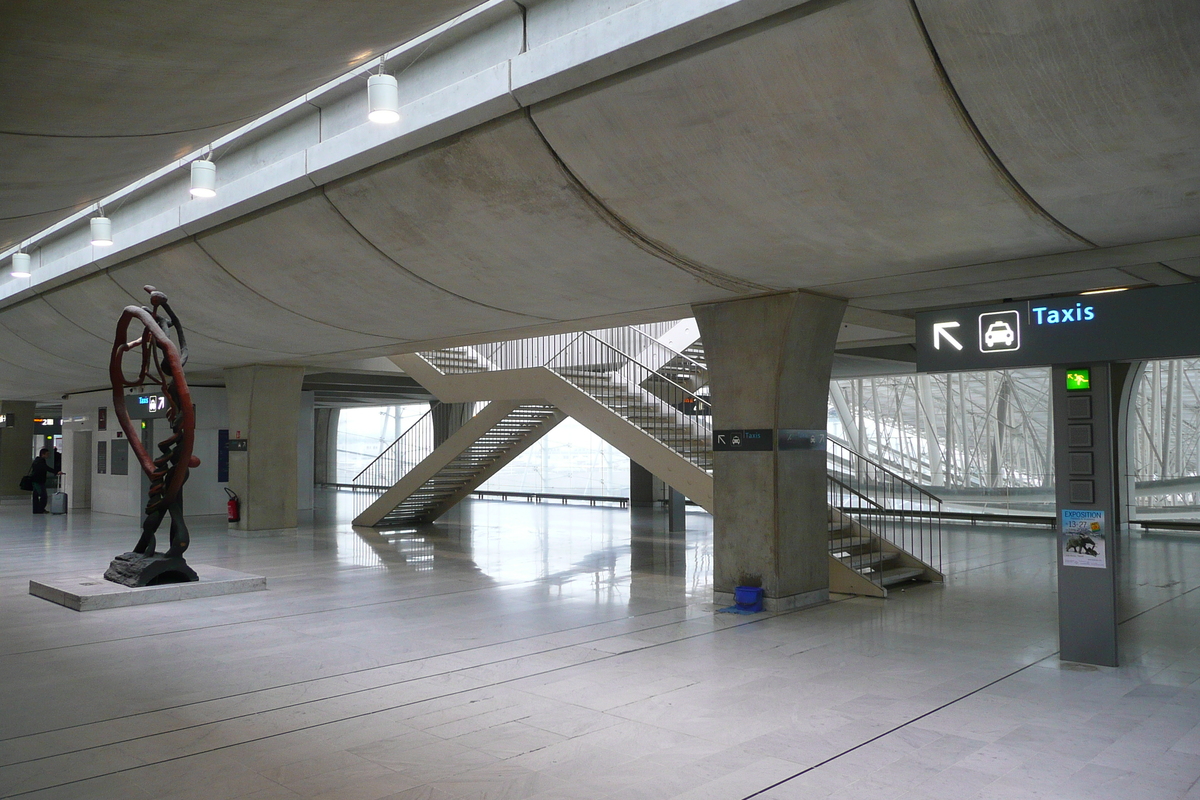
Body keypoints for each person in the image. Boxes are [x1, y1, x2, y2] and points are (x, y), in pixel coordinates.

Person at [30, 448, 54, 514]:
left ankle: (36, 510)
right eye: (47, 454)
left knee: (36, 495)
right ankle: (40, 509)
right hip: (39, 481)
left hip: (35, 480)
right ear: (43, 454)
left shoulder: (36, 461)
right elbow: (46, 468)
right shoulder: (41, 461)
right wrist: (56, 471)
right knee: (43, 495)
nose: (48, 455)